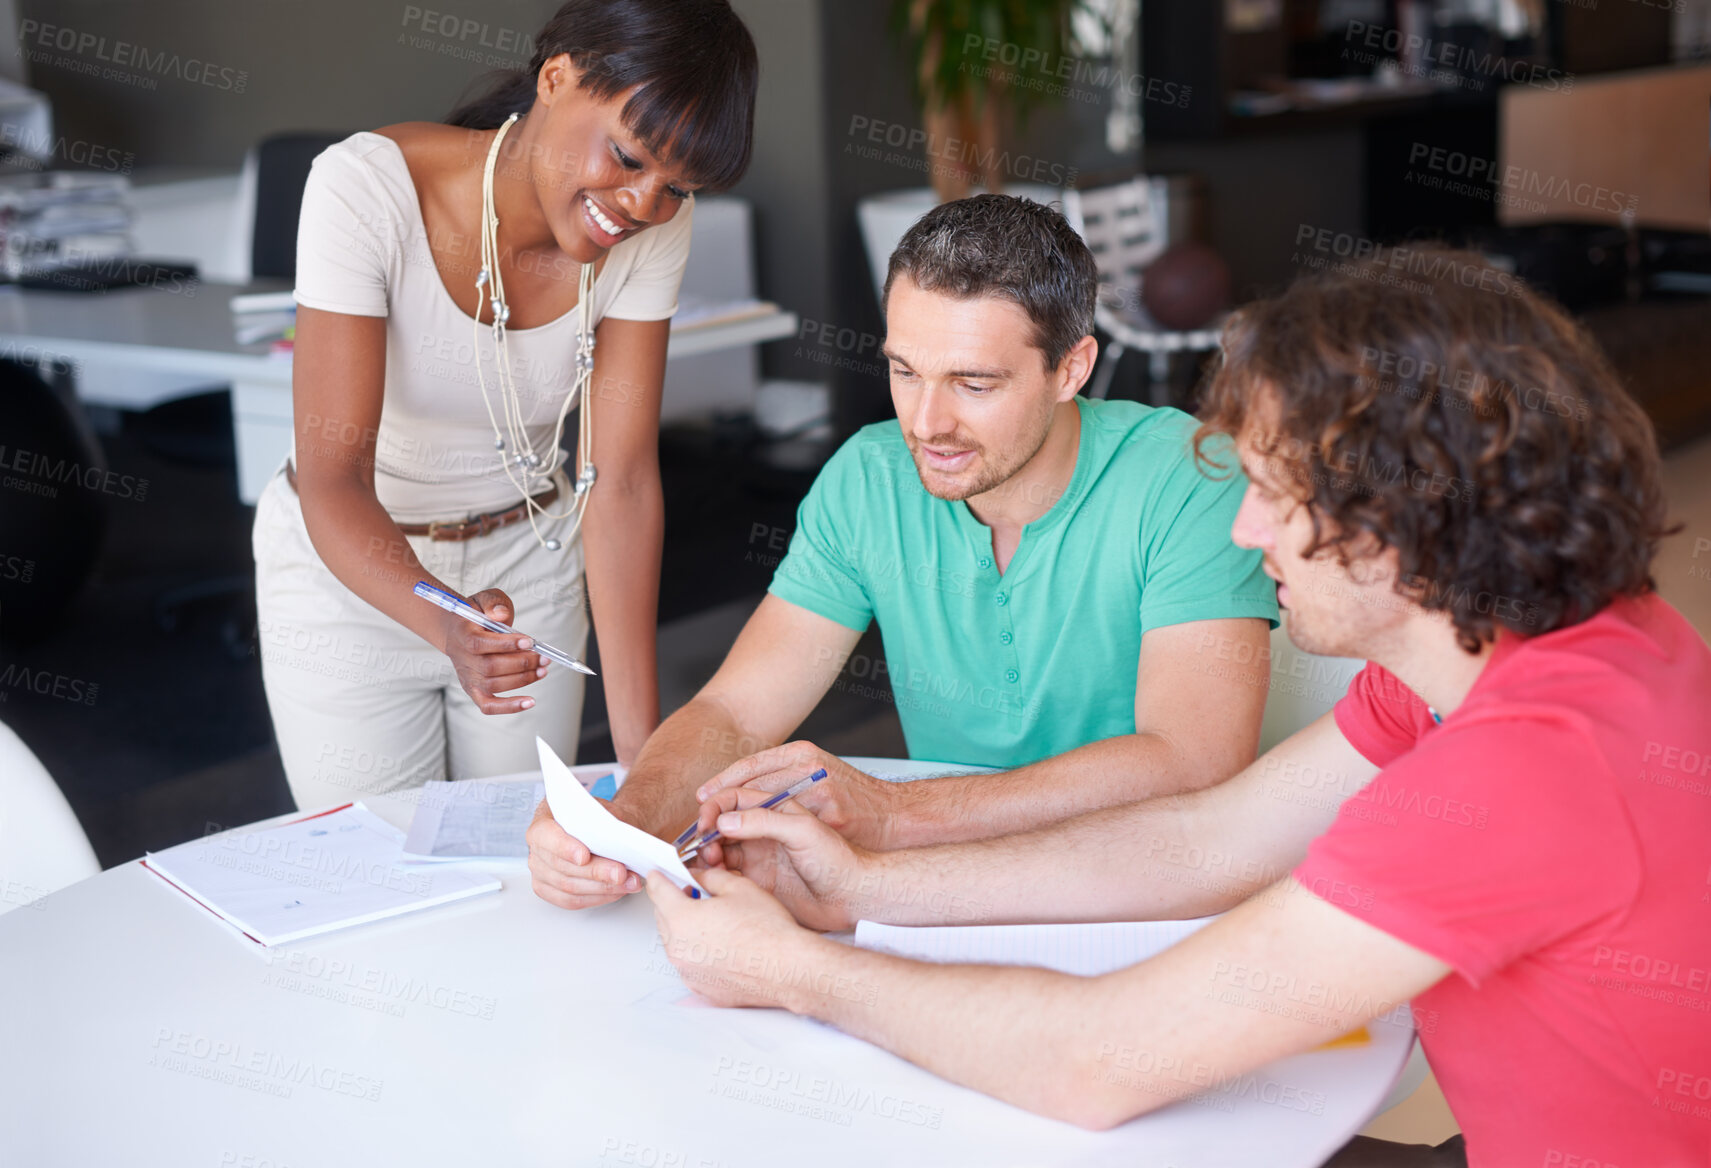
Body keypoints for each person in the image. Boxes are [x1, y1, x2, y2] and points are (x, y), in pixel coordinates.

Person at [649, 247, 1711, 1168]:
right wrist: (868, 889)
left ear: (1400, 513)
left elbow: (1099, 1060)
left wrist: (789, 968)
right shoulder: (1520, 646)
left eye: (1276, 493)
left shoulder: (1520, 768)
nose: (1245, 532)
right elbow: (1209, 840)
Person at [527, 195, 1279, 909]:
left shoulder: (1191, 475)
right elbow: (734, 712)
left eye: (973, 383)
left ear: (1070, 370)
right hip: (936, 878)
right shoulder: (869, 475)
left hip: (1147, 879)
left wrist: (897, 813)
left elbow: (1192, 758)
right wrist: (619, 827)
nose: (927, 423)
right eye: (904, 371)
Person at [252, 0, 757, 810]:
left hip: (528, 563)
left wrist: (643, 760)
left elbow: (619, 478)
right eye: (628, 157)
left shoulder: (657, 224)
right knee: (377, 870)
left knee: (526, 861)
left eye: (676, 186)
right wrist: (449, 622)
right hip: (350, 583)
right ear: (556, 78)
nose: (642, 204)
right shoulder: (366, 187)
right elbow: (332, 476)